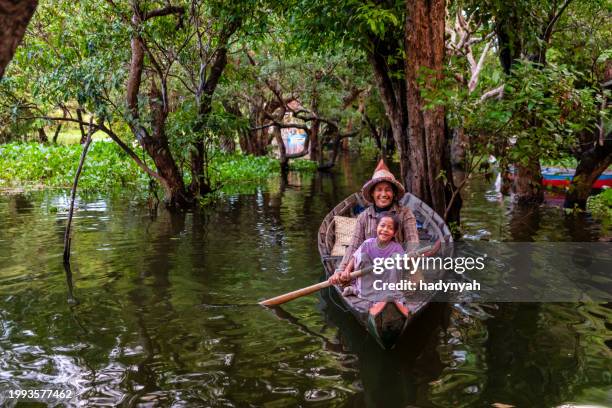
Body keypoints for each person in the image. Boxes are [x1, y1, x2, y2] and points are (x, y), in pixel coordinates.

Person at [335, 159, 419, 275]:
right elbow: (354, 246)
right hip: (369, 269)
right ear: (372, 194)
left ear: (393, 193)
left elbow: (413, 242)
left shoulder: (405, 213)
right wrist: (341, 270)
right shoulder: (363, 217)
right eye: (379, 190)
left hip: (398, 268)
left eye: (388, 190)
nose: (384, 194)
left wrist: (409, 260)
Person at [329, 212, 404, 296]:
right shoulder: (368, 243)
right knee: (362, 256)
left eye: (390, 228)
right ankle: (356, 290)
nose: (385, 230)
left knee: (397, 260)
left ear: (394, 233)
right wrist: (346, 270)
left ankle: (390, 292)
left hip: (384, 280)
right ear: (376, 227)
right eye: (382, 226)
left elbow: (402, 265)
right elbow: (354, 258)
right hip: (367, 278)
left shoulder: (397, 248)